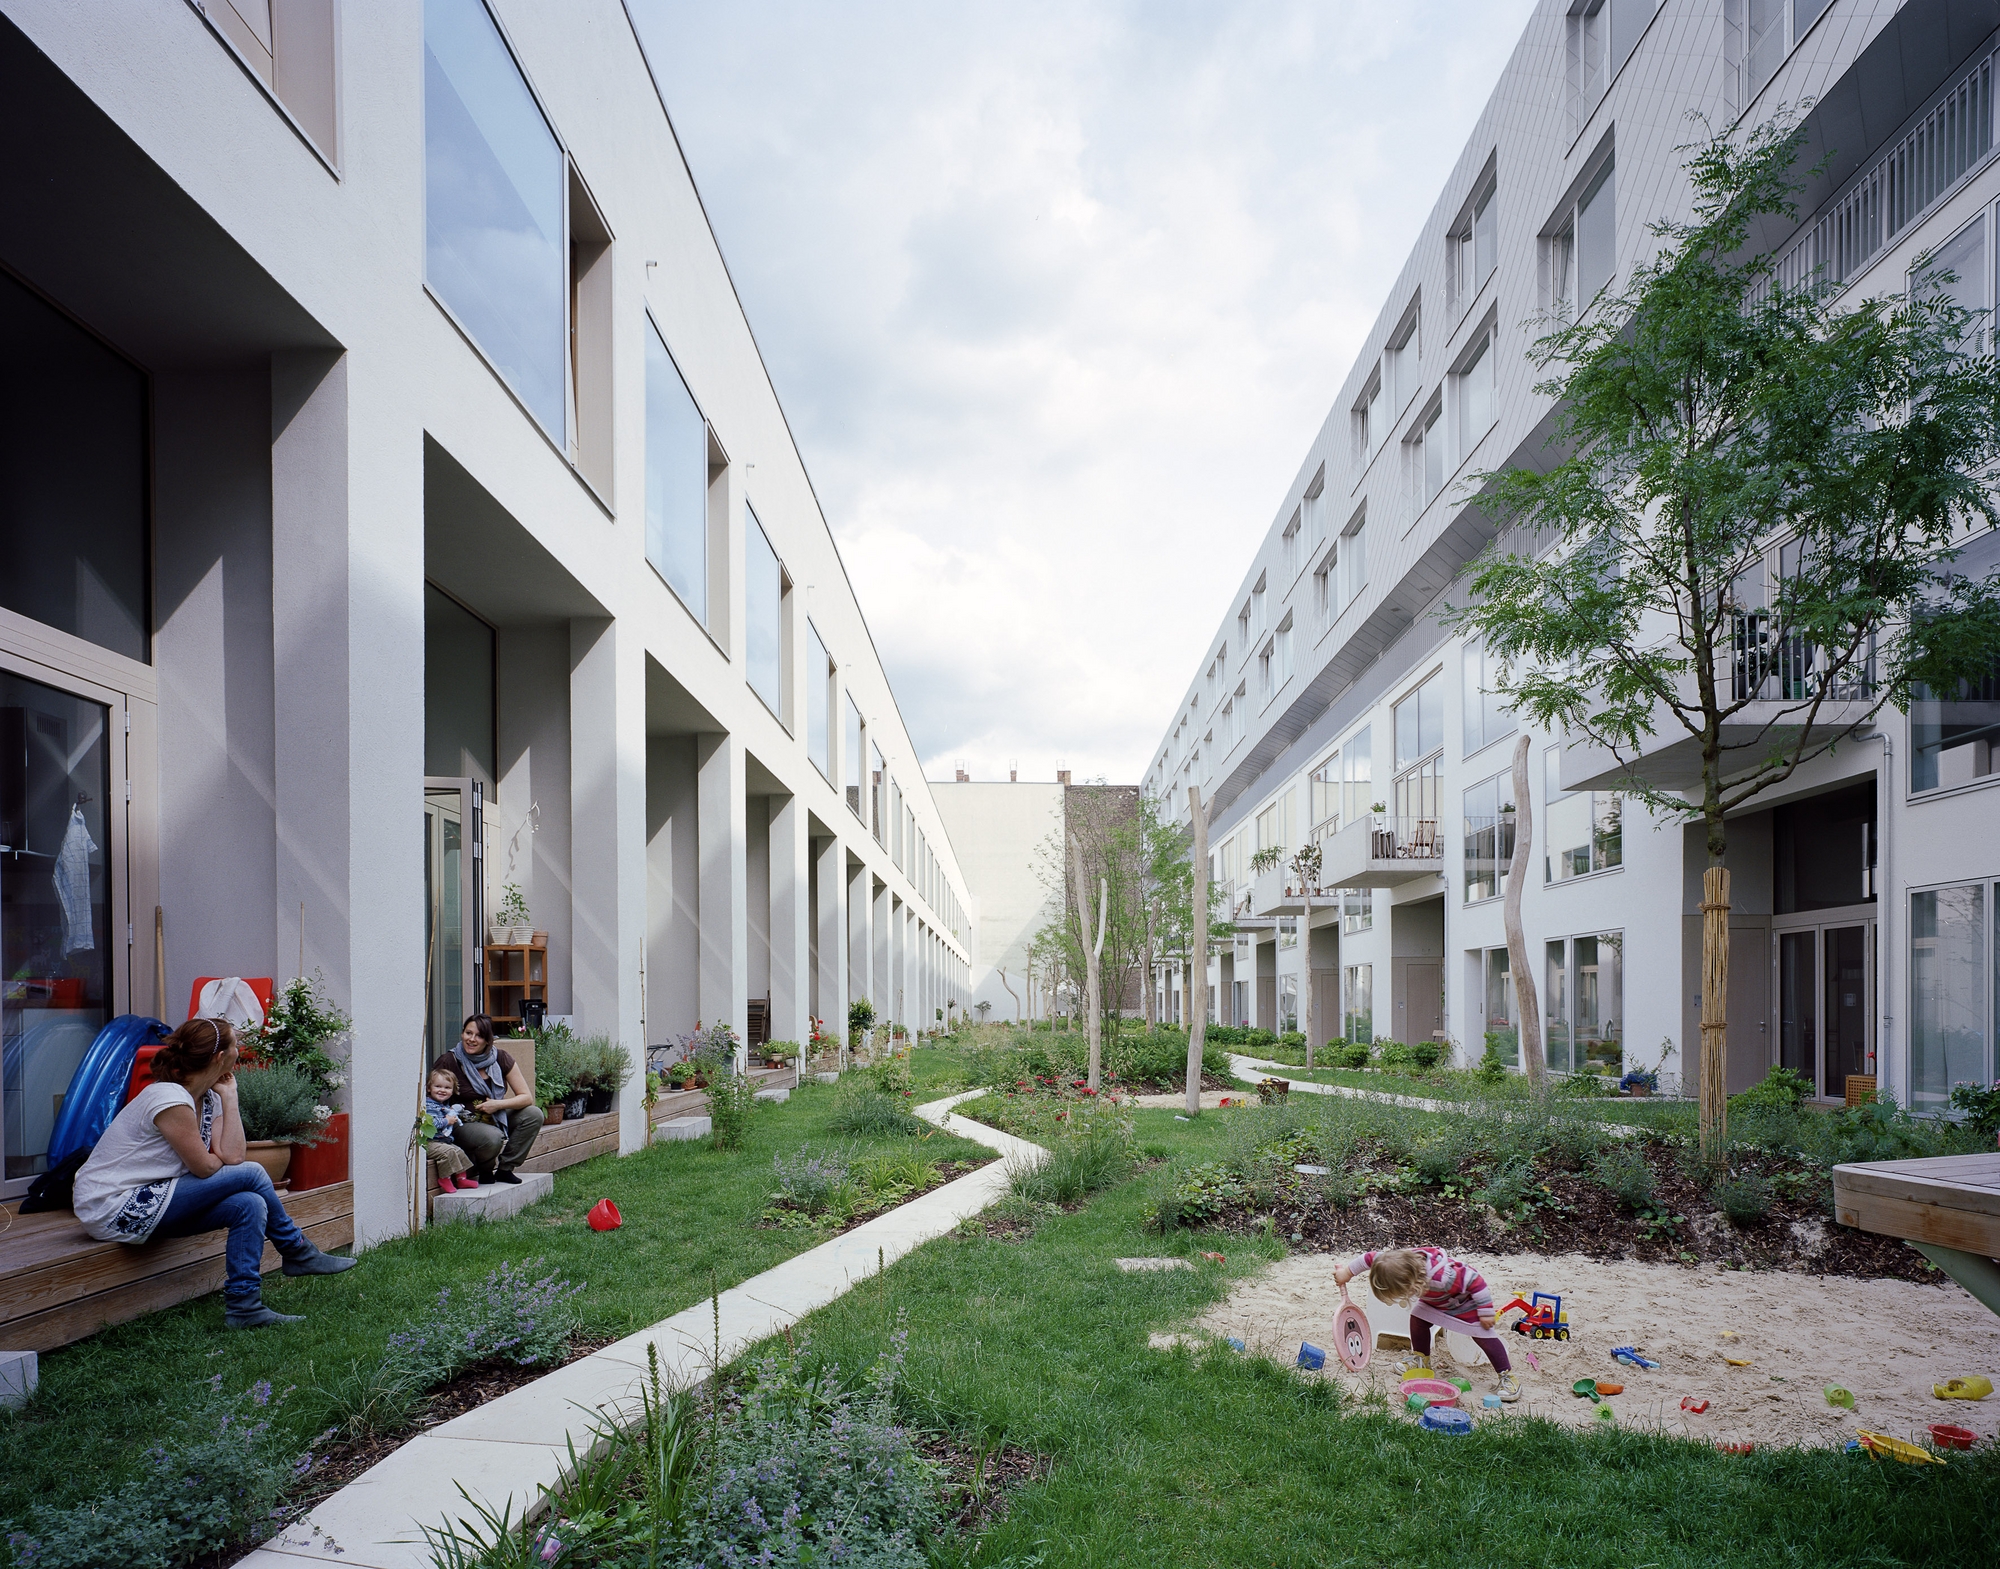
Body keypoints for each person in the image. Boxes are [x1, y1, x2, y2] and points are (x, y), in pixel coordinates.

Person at [72, 1017, 357, 1328]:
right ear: (221, 1056)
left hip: (158, 1196)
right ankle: (297, 1250)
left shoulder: (209, 1097)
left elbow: (232, 1156)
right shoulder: (168, 1098)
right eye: (236, 1044)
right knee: (252, 1174)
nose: (240, 1050)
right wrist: (218, 1159)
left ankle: (244, 1307)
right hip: (112, 1205)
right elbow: (205, 1166)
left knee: (250, 1204)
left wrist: (230, 1098)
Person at [1334, 1245, 1521, 1402]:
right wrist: (1346, 1273)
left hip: (1465, 1304)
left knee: (1483, 1336)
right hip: (1435, 1300)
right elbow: (1368, 1258)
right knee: (1418, 1319)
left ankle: (1507, 1376)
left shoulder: (1444, 1277)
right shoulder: (1389, 1263)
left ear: (1410, 1285)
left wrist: (1486, 1311)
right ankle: (1421, 1360)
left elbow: (1475, 1280)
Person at [428, 1014, 542, 1185]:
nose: (472, 1039)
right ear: (462, 1034)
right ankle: (485, 1170)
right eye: (468, 1033)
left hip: (495, 1114)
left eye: (479, 1036)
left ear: (488, 1040)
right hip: (462, 1122)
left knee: (533, 1115)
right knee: (492, 1137)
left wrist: (497, 1105)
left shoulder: (501, 1058)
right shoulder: (449, 1061)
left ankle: (505, 1169)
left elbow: (526, 1097)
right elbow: (430, 1095)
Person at [422, 1067, 480, 1192]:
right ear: (429, 1088)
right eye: (438, 1086)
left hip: (441, 1141)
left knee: (458, 1151)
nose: (442, 1090)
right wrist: (447, 1121)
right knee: (448, 1152)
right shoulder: (429, 1106)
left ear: (453, 1090)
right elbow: (431, 1124)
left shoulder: (443, 1105)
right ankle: (445, 1178)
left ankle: (461, 1179)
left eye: (447, 1087)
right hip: (429, 1142)